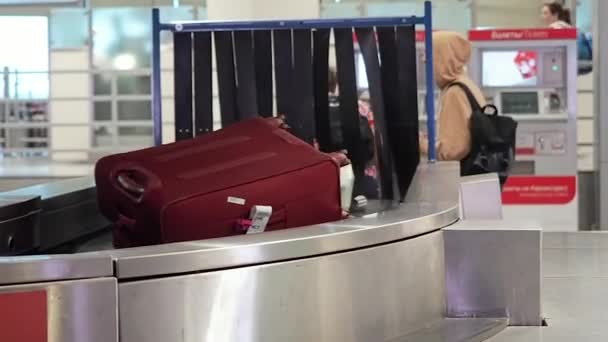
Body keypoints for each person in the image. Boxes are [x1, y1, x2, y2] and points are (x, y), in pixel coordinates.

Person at [420, 31, 486, 161]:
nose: (424, 61)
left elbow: (451, 151)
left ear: (443, 58)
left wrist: (421, 143)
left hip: (461, 176)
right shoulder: (466, 83)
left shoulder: (454, 92)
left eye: (429, 56)